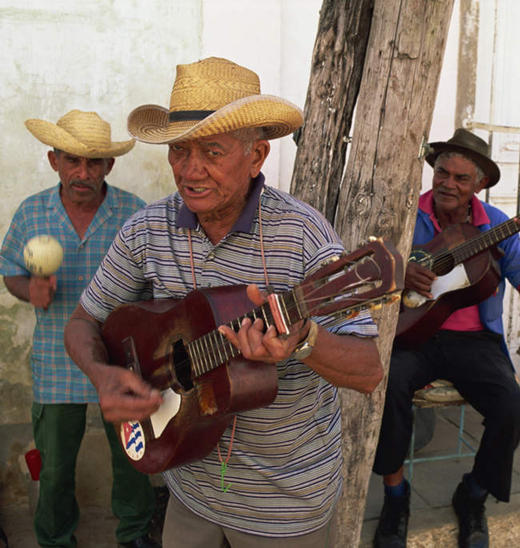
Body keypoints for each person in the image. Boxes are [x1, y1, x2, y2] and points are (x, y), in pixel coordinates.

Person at [63, 57, 383, 547]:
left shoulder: (303, 236)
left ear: (257, 155)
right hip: (188, 484)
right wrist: (103, 375)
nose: (190, 170)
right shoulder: (147, 231)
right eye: (179, 151)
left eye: (212, 151)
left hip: (286, 504)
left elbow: (368, 370)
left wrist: (305, 342)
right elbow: (84, 321)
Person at [372, 128, 520, 548]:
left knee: (512, 409)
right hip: (412, 333)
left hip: (474, 341)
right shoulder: (403, 213)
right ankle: (396, 495)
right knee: (386, 384)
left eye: (460, 178)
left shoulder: (496, 226)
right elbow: (364, 272)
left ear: (480, 184)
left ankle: (473, 494)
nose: (447, 184)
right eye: (442, 173)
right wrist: (398, 276)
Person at [0, 110, 156, 547]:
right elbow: (9, 270)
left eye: (93, 163)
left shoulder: (134, 213)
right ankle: (54, 537)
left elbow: (155, 286)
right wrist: (27, 289)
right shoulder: (33, 212)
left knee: (133, 458)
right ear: (54, 161)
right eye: (72, 161)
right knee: (53, 466)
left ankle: (135, 533)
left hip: (123, 360)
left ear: (110, 166)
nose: (82, 173)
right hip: (55, 361)